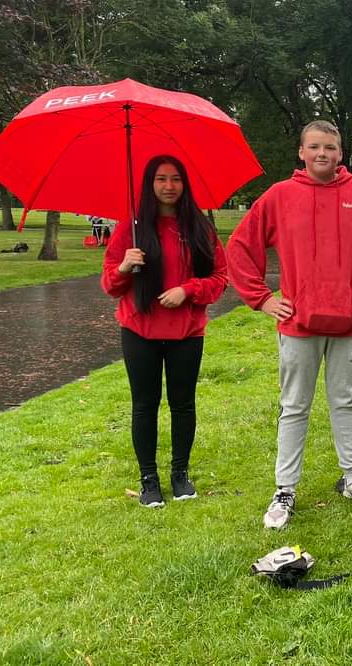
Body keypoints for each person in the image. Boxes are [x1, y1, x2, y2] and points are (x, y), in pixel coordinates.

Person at [227, 120, 352, 529]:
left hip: (351, 323)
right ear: (302, 152)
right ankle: (285, 489)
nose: (322, 153)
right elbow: (239, 247)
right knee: (294, 406)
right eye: (315, 147)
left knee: (346, 401)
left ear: (341, 153)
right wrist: (264, 298)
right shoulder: (280, 196)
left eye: (330, 146)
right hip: (299, 325)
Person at [101, 155, 228, 508]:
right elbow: (110, 283)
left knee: (183, 404)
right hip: (140, 330)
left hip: (186, 333)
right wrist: (125, 266)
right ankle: (149, 479)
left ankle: (180, 474)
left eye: (175, 179)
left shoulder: (200, 228)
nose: (169, 186)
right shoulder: (133, 228)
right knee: (144, 405)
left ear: (185, 184)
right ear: (149, 184)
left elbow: (220, 278)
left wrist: (187, 290)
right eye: (160, 179)